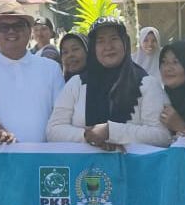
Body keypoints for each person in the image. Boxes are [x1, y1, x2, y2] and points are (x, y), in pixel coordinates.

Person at [46, 19, 171, 148]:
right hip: (84, 161)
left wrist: (111, 131)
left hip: (132, 161)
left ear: (125, 43)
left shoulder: (147, 84)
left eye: (114, 39)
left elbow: (162, 136)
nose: (108, 46)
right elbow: (53, 130)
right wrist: (87, 135)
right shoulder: (77, 84)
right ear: (93, 48)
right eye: (100, 41)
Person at [0, 2, 64, 143]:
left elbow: (60, 116)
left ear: (29, 31)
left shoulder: (51, 68)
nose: (11, 31)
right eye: (3, 27)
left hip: (44, 154)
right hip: (2, 151)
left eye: (18, 26)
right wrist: (9, 140)